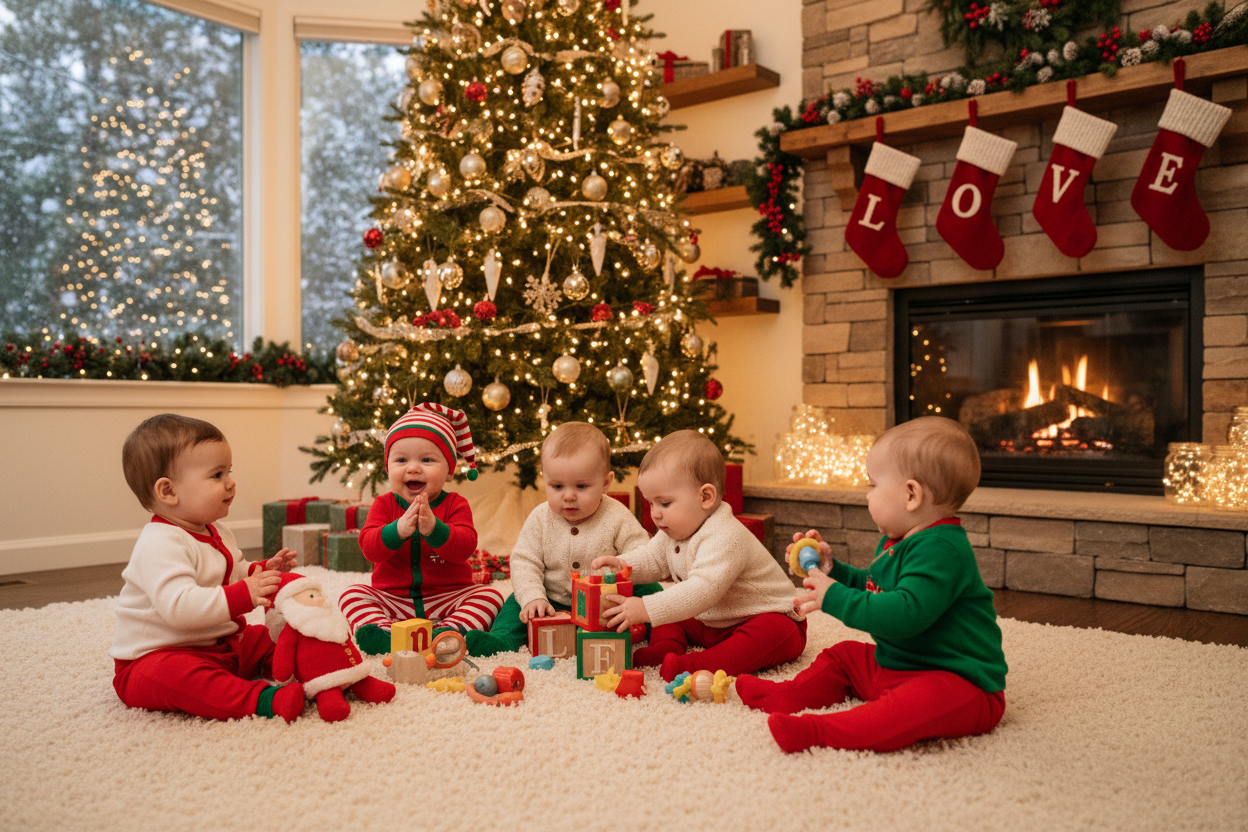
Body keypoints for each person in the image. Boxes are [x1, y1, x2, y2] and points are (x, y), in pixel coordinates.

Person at [735, 416, 1008, 754]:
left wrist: (834, 597)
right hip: (899, 663)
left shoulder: (943, 549)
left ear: (911, 495)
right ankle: (784, 695)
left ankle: (819, 731)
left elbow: (904, 614)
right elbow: (874, 587)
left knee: (912, 706)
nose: (867, 494)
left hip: (960, 682)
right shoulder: (898, 541)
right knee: (844, 656)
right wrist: (832, 570)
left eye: (873, 484)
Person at [110, 413, 304, 722]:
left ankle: (317, 668)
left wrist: (260, 570)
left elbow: (231, 570)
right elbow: (180, 608)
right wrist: (245, 594)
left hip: (222, 644)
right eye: (217, 475)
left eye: (229, 471)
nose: (231, 482)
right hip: (159, 656)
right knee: (180, 677)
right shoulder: (159, 543)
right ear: (168, 491)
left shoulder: (216, 530)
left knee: (268, 638)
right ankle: (262, 700)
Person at [592, 430, 805, 682]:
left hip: (763, 615)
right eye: (650, 503)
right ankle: (665, 647)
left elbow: (703, 590)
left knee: (773, 633)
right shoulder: (675, 530)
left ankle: (699, 664)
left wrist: (646, 608)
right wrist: (623, 566)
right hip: (712, 619)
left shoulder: (725, 536)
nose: (655, 514)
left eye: (665, 503)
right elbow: (653, 558)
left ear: (705, 497)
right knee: (670, 607)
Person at [465, 422, 661, 657]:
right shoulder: (540, 518)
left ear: (605, 483)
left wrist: (624, 566)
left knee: (653, 591)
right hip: (551, 598)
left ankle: (667, 633)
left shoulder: (617, 515)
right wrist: (533, 598)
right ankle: (501, 639)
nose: (568, 496)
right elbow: (524, 561)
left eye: (581, 486)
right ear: (545, 480)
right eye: (557, 486)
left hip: (606, 598)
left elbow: (642, 549)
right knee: (516, 604)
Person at [339, 402, 504, 655]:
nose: (413, 468)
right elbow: (370, 548)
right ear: (388, 468)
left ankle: (447, 632)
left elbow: (465, 546)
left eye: (427, 460)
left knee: (490, 597)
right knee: (351, 594)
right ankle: (385, 634)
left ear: (449, 472)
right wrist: (397, 530)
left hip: (448, 596)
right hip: (394, 599)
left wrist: (435, 529)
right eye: (401, 460)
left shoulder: (455, 503)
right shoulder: (383, 504)